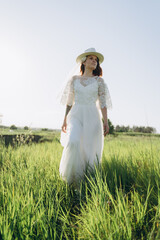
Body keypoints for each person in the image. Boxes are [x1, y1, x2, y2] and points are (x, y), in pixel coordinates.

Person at [59, 48, 112, 185]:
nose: (94, 61)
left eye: (96, 60)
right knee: (73, 141)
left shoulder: (99, 81)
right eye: (91, 59)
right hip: (76, 115)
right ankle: (71, 180)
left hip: (92, 117)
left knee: (89, 149)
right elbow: (69, 102)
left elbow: (103, 103)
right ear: (84, 61)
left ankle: (87, 182)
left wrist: (105, 122)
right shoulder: (74, 80)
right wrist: (64, 119)